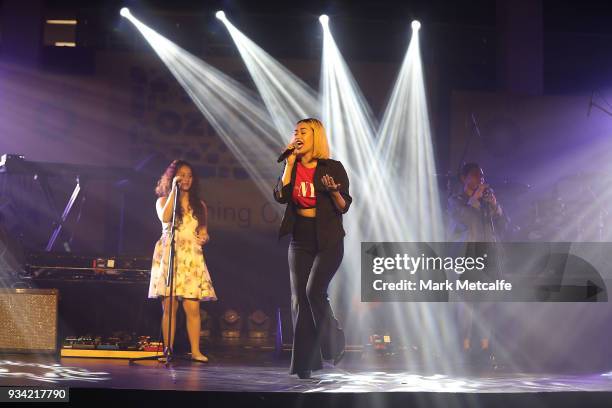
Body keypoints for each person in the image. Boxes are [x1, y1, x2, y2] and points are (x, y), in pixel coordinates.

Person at [273, 118, 352, 379]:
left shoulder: (333, 167)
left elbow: (344, 206)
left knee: (313, 291)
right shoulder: (292, 166)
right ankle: (305, 364)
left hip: (328, 238)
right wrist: (289, 163)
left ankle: (335, 340)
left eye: (303, 131)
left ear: (315, 136)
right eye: (295, 131)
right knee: (299, 301)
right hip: (301, 237)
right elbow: (281, 196)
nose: (297, 135)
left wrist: (333, 192)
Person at [148, 159, 217, 362]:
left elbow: (204, 232)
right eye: (182, 175)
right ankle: (167, 350)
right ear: (173, 178)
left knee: (193, 308)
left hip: (191, 256)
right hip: (169, 254)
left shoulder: (199, 205)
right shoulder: (163, 201)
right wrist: (173, 192)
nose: (186, 179)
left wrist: (205, 237)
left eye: (189, 175)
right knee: (169, 307)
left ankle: (195, 351)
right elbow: (166, 218)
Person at [448, 162, 509, 370]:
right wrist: (474, 199)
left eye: (482, 176)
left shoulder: (485, 203)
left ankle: (485, 351)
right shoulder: (456, 200)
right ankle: (463, 352)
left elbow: (503, 226)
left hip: (488, 258)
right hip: (467, 259)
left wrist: (495, 206)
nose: (480, 180)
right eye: (475, 176)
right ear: (464, 178)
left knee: (487, 306)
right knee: (466, 306)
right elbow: (461, 220)